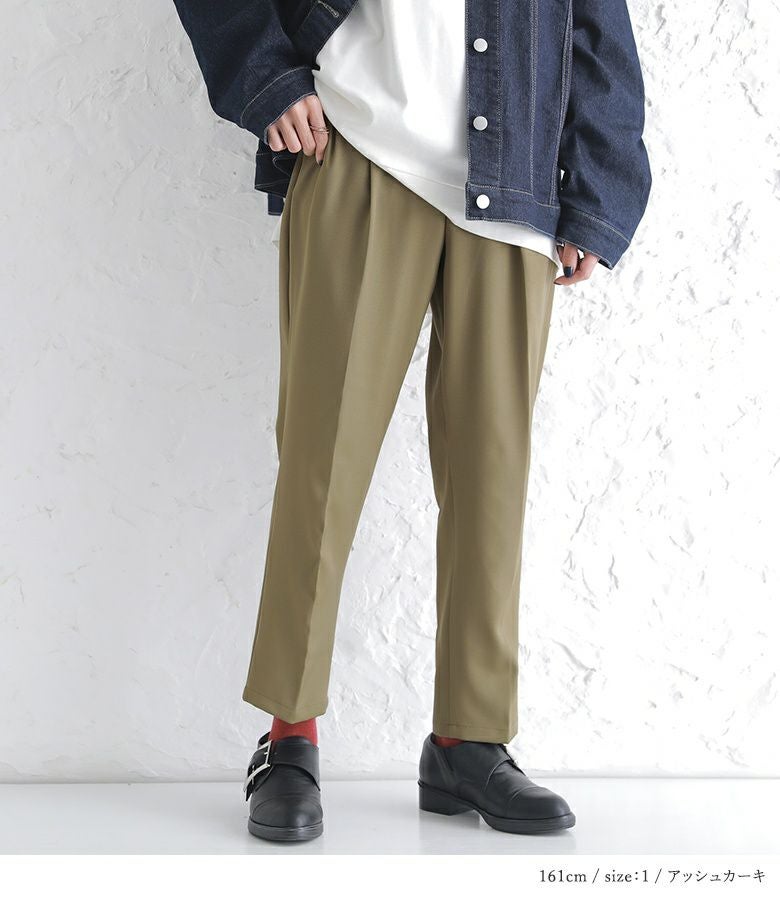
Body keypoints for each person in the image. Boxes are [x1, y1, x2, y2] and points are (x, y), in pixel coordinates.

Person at [172, 0, 651, 842]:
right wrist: (266, 78)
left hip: (515, 181)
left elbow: (596, 24)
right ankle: (289, 737)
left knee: (491, 477)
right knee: (323, 462)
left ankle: (470, 739)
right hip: (357, 146)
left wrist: (600, 188)